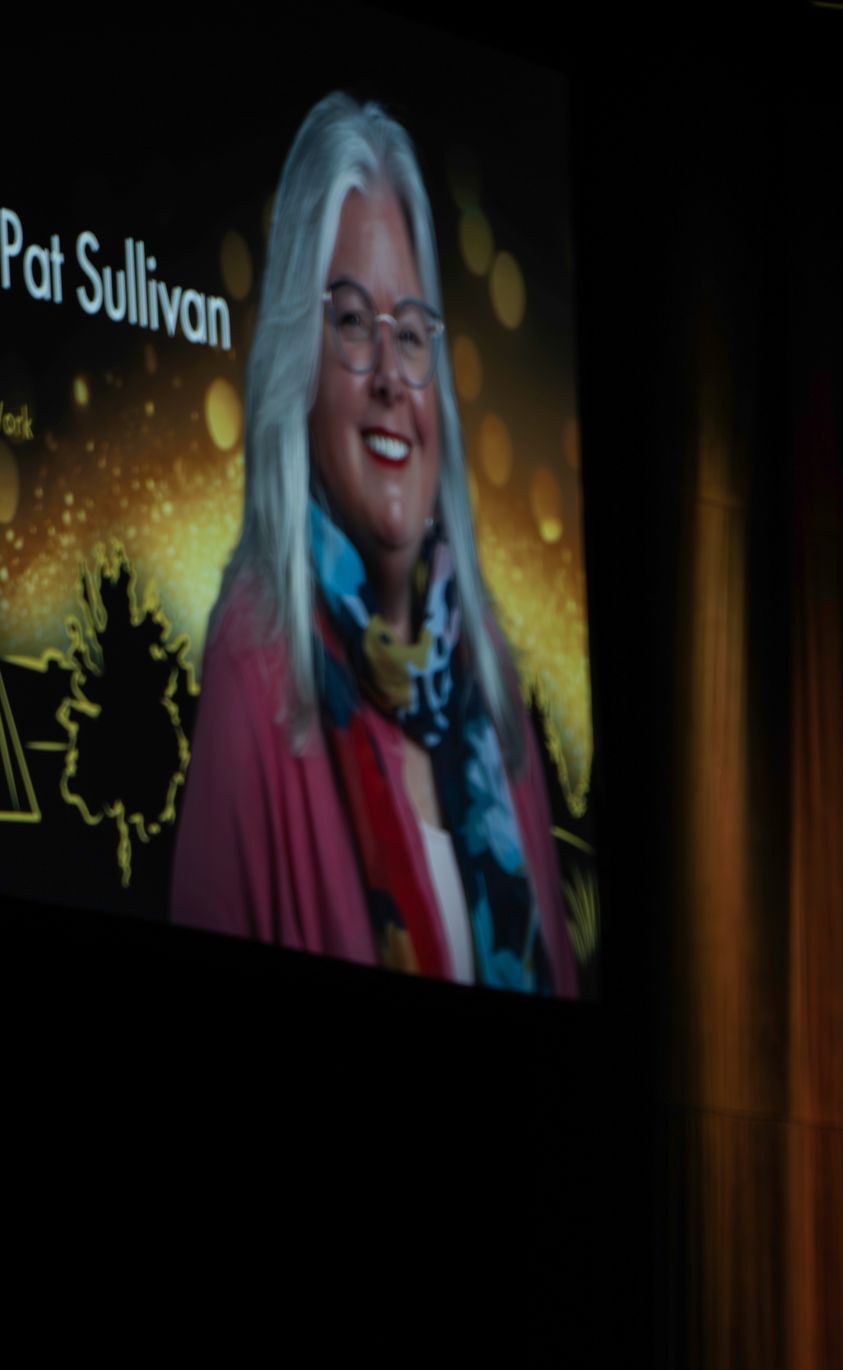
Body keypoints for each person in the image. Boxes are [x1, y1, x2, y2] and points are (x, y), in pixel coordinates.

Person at [172, 93, 576, 994]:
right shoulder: (258, 673)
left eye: (412, 332)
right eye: (353, 324)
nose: (393, 376)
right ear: (297, 369)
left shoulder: (491, 685)